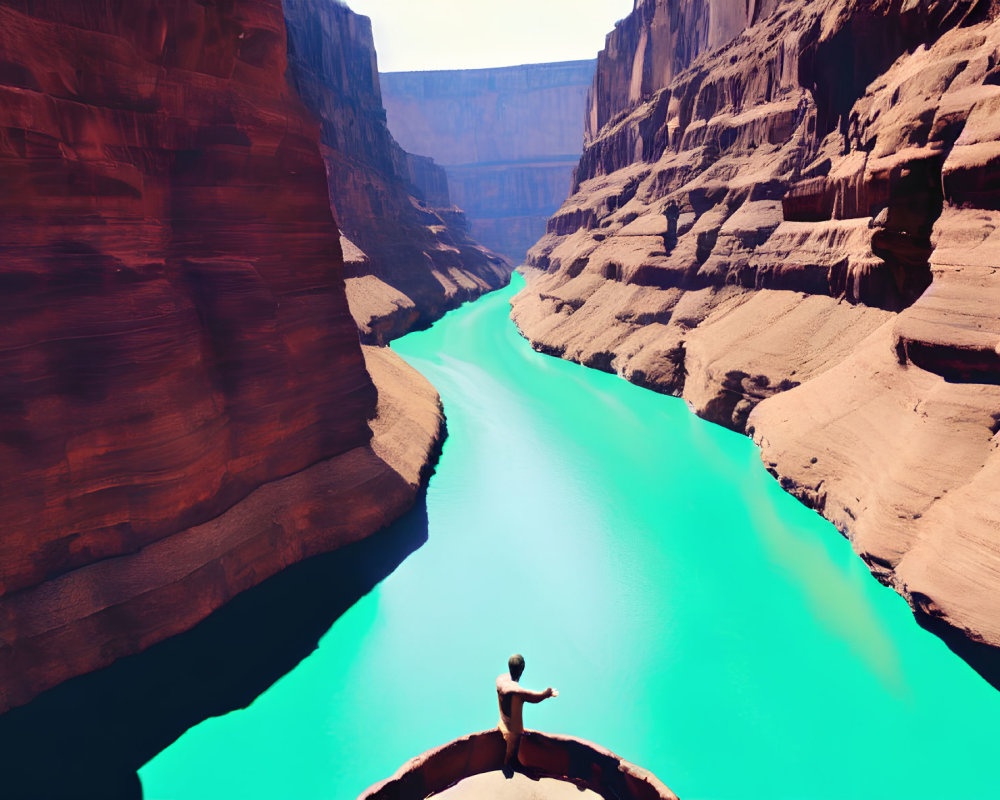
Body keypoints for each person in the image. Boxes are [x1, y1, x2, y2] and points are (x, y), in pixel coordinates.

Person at [496, 653, 558, 768]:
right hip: (513, 732)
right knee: (512, 756)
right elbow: (536, 697)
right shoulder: (517, 691)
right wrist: (548, 693)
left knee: (506, 747)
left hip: (502, 723)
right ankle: (511, 767)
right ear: (522, 669)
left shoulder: (500, 680)